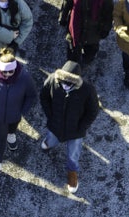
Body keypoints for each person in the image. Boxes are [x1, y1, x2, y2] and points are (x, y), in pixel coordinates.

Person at [39, 60, 100, 194]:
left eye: (69, 83)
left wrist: (82, 127)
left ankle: (72, 173)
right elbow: (44, 97)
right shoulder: (52, 80)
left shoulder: (87, 90)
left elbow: (93, 110)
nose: (65, 85)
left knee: (73, 154)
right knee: (51, 138)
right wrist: (50, 115)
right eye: (62, 81)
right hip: (55, 124)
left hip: (75, 131)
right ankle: (49, 143)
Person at [0, 48, 37, 178]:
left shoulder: (24, 77)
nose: (7, 75)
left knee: (12, 128)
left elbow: (31, 95)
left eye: (10, 71)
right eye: (4, 72)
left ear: (15, 68)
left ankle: (11, 135)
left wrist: (23, 111)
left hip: (15, 115)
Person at [59, 0, 113, 66]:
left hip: (93, 32)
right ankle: (73, 67)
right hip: (75, 30)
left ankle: (85, 62)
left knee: (89, 55)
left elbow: (108, 12)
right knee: (73, 55)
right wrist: (62, 18)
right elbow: (66, 3)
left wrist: (106, 29)